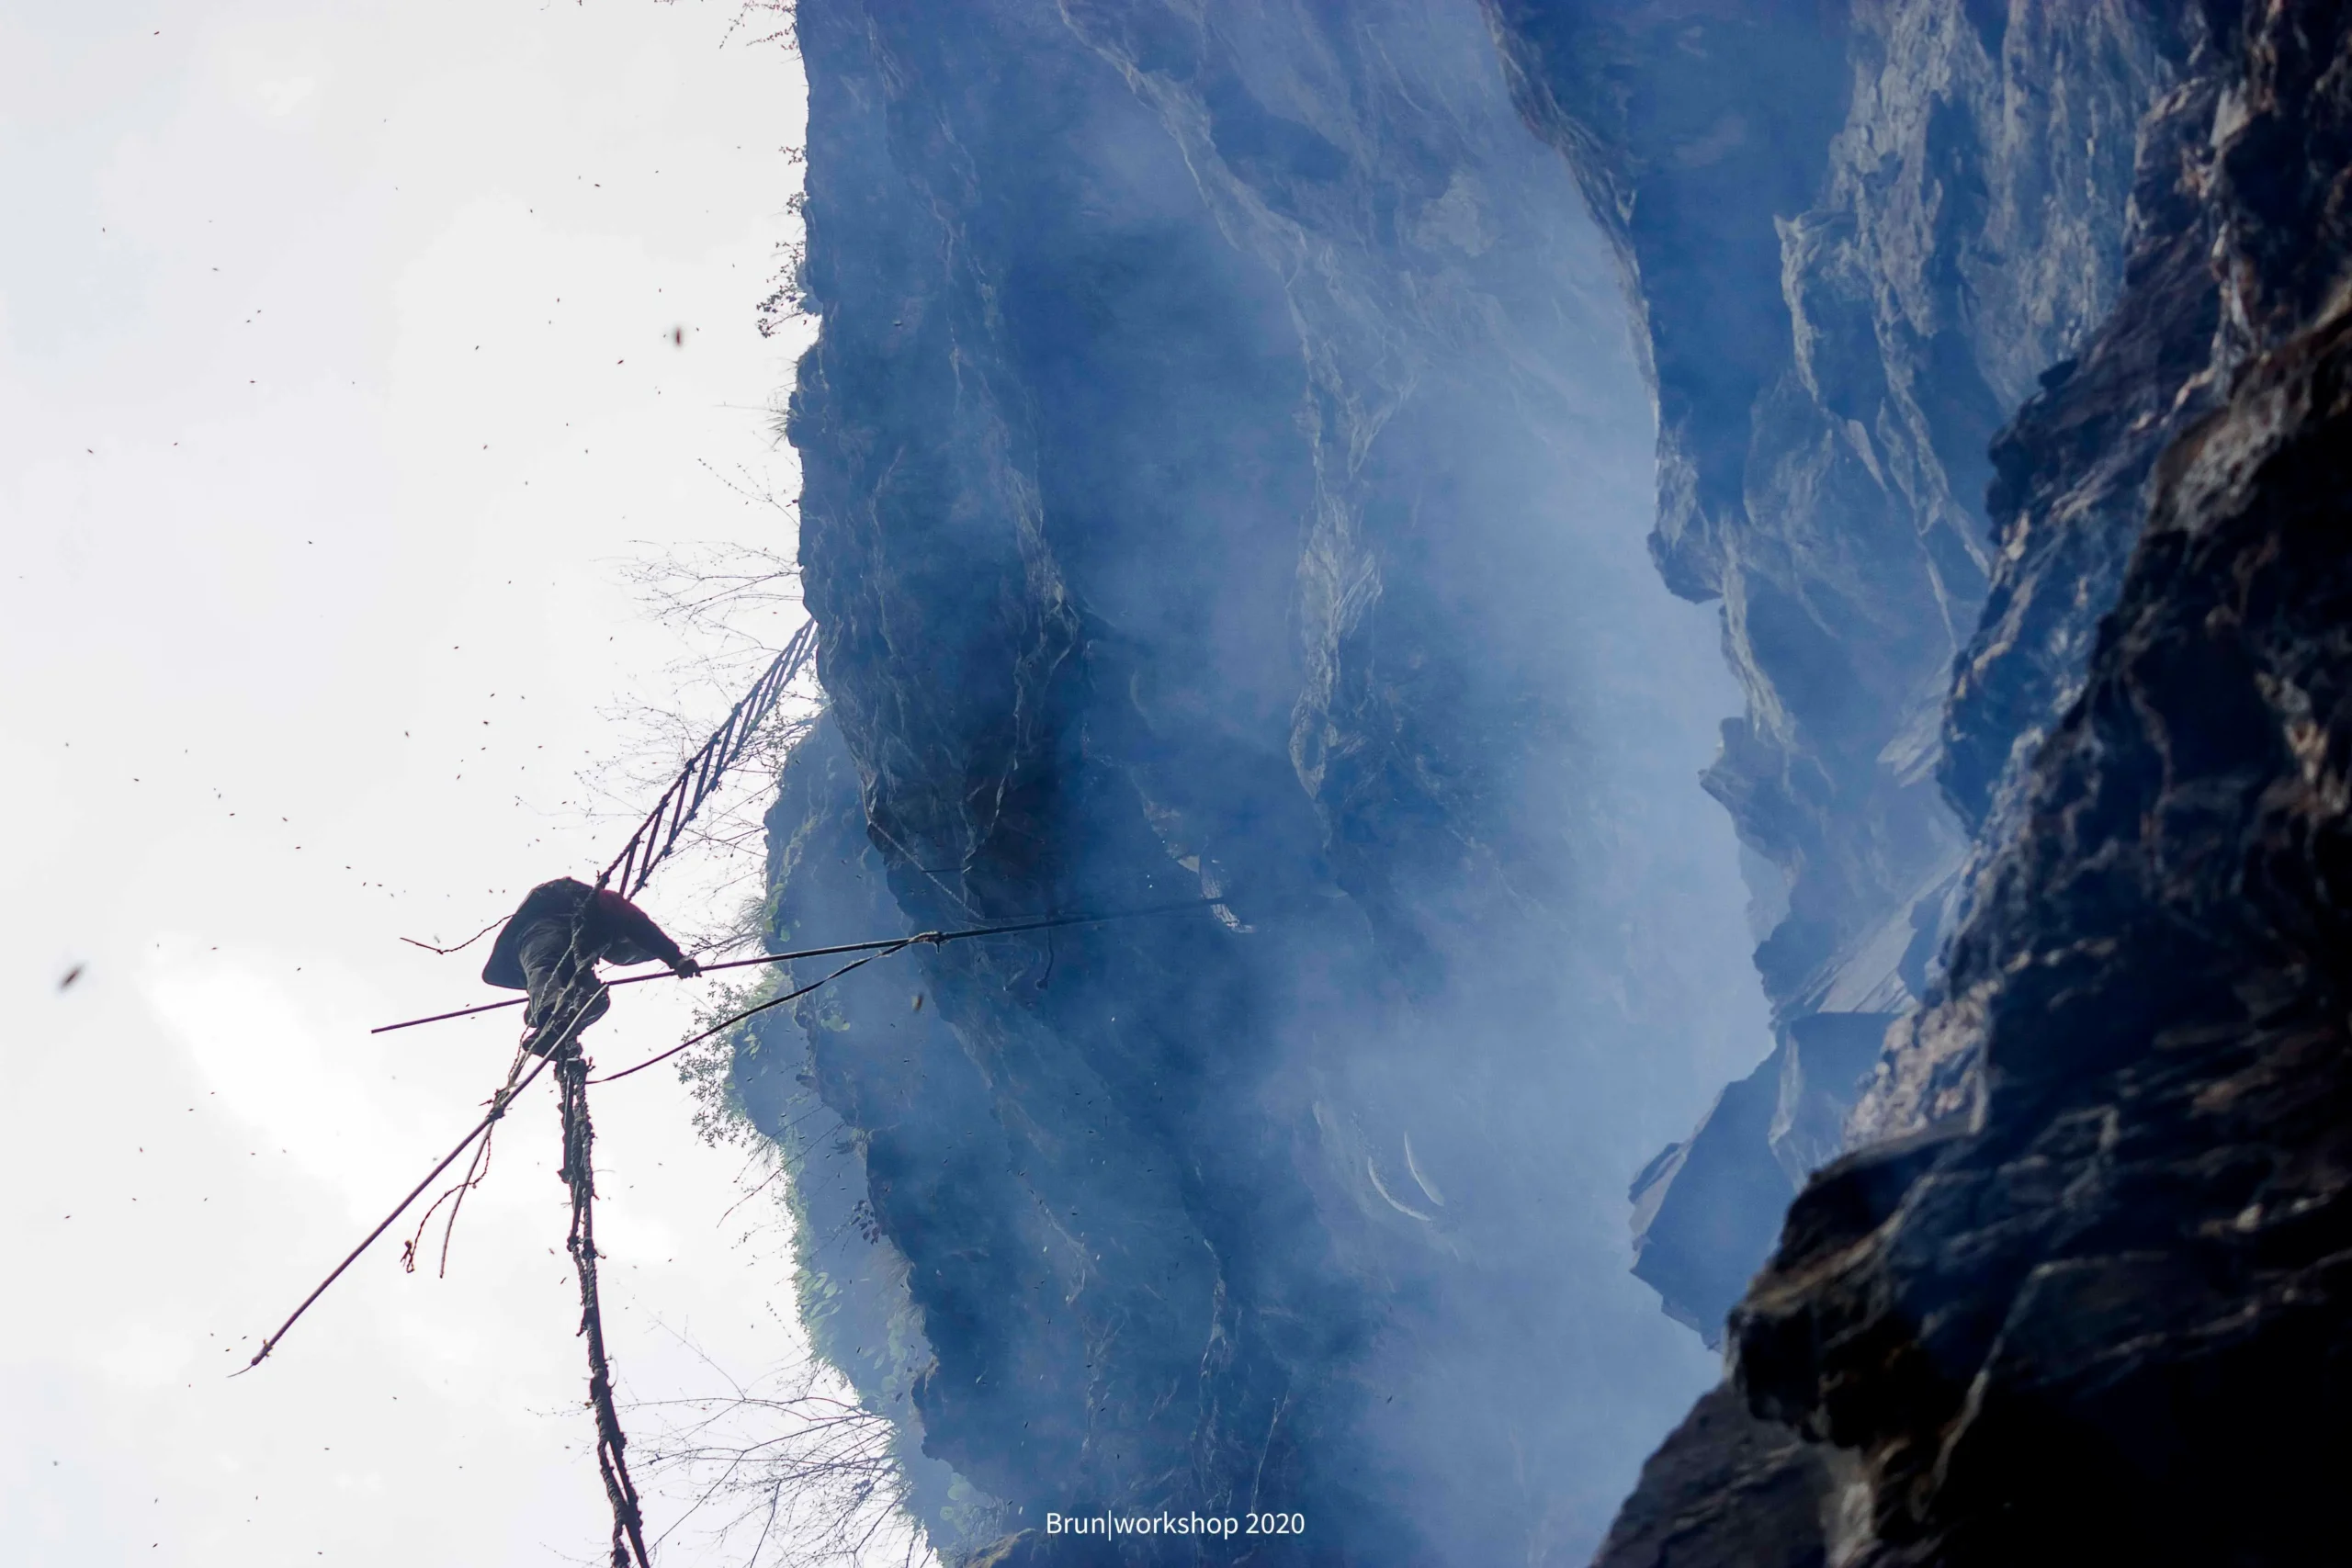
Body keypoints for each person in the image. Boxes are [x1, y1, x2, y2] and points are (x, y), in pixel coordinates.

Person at [481, 878, 700, 1055]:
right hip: (541, 929)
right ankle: (549, 1016)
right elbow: (643, 929)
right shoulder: (610, 906)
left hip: (569, 958)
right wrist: (675, 958)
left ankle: (556, 1030)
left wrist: (675, 960)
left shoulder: (602, 941)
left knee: (596, 1000)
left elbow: (638, 944)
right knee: (547, 970)